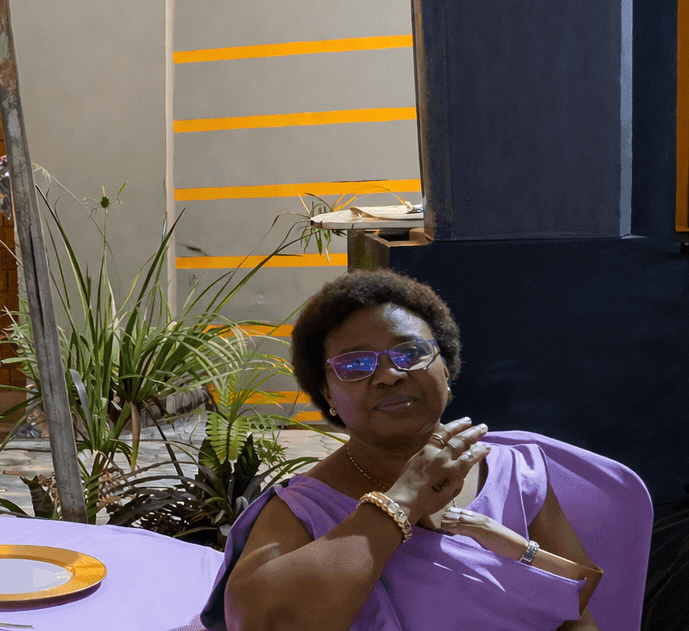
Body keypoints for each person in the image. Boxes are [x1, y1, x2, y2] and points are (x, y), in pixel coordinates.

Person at [207, 269, 604, 630]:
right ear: (328, 395)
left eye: (410, 353)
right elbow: (260, 622)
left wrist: (512, 546)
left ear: (445, 371)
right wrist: (403, 500)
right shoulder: (301, 510)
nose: (389, 375)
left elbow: (576, 615)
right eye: (355, 364)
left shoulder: (515, 474)